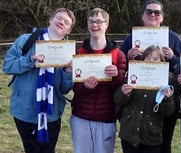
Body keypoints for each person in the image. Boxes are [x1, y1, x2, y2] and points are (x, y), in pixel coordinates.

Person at [2, 8, 75, 153]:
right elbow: (7, 66)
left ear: (68, 31)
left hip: (51, 114)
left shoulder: (68, 52)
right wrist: (30, 60)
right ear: (50, 20)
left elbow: (65, 89)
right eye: (59, 18)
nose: (61, 22)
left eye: (66, 22)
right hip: (25, 111)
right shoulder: (26, 40)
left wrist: (68, 72)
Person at [119, 1, 181, 153]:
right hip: (137, 100)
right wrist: (127, 55)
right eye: (149, 12)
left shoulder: (174, 38)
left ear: (162, 17)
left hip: (165, 100)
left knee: (164, 142)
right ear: (142, 16)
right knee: (137, 141)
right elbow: (119, 64)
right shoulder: (132, 38)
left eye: (157, 13)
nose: (152, 15)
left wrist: (173, 58)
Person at [70, 8, 126, 153]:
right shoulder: (79, 53)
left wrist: (115, 76)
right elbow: (75, 87)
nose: (94, 25)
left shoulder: (118, 54)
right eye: (91, 21)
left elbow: (121, 90)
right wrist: (85, 86)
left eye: (98, 21)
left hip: (106, 118)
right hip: (81, 116)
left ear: (106, 24)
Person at [114, 45, 175, 153]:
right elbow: (118, 100)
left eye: (155, 59)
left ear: (162, 61)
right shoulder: (132, 76)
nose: (151, 61)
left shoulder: (167, 80)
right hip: (129, 133)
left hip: (151, 136)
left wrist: (167, 99)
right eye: (148, 57)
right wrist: (124, 93)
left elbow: (168, 112)